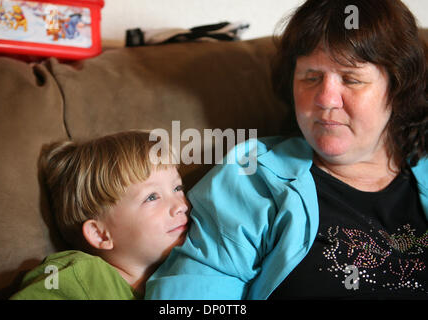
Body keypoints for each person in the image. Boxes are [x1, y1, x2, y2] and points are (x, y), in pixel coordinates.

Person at [146, 0, 428, 299]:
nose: (326, 99)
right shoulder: (252, 177)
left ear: (398, 89)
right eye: (311, 77)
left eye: (351, 78)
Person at [11, 131, 189, 299]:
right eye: (152, 197)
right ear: (100, 234)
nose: (180, 206)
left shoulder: (181, 272)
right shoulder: (81, 275)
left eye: (177, 188)